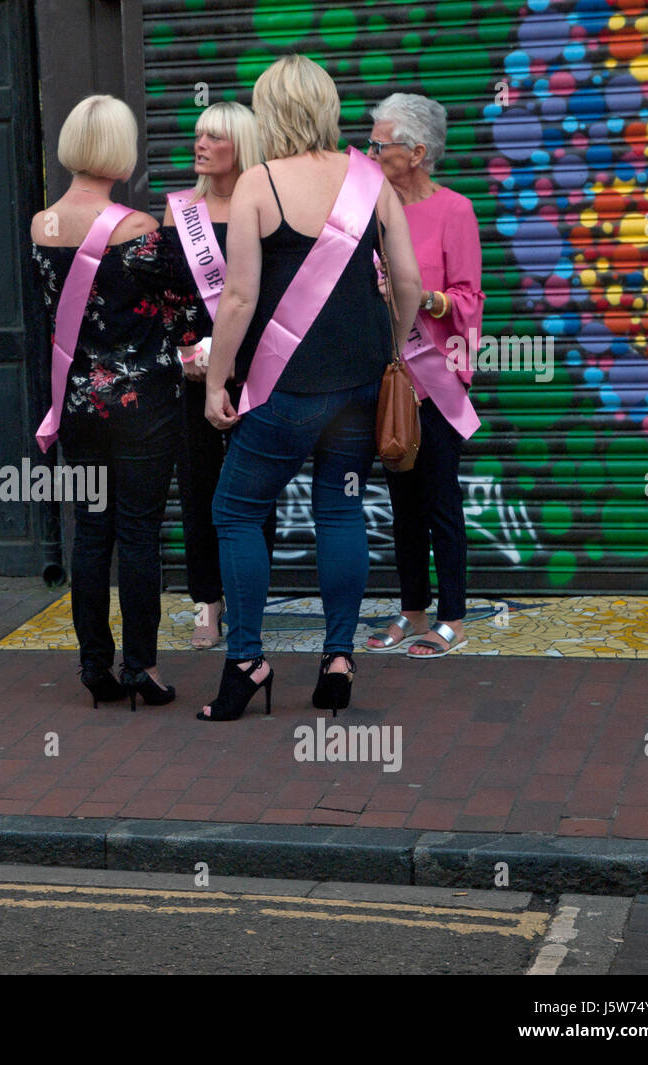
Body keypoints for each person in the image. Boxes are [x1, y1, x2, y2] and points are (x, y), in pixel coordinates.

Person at [197, 55, 421, 721]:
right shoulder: (368, 178)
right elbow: (406, 280)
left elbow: (237, 299)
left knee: (235, 512)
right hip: (357, 384)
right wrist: (395, 348)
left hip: (285, 388)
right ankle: (338, 659)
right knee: (340, 512)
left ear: (271, 114)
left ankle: (246, 662)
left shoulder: (257, 184)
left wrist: (215, 384)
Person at [30, 95, 197, 711]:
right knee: (140, 535)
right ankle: (142, 668)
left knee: (91, 534)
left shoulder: (41, 225)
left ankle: (94, 665)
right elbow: (190, 300)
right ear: (119, 149)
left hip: (76, 403)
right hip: (144, 405)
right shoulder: (138, 230)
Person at [364, 93, 484, 659]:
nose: (370, 150)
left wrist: (421, 298)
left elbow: (467, 299)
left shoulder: (455, 210)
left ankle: (453, 617)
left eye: (380, 143)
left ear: (416, 152)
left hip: (433, 380)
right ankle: (412, 612)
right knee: (401, 503)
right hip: (387, 379)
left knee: (440, 501)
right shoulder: (370, 209)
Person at [161, 101, 275, 650]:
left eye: (214, 137)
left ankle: (249, 599)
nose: (199, 144)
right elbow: (171, 296)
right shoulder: (179, 210)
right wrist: (186, 352)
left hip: (257, 366)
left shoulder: (267, 205)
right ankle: (208, 604)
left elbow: (271, 295)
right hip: (195, 372)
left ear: (241, 147)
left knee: (256, 491)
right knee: (200, 485)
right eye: (198, 133)